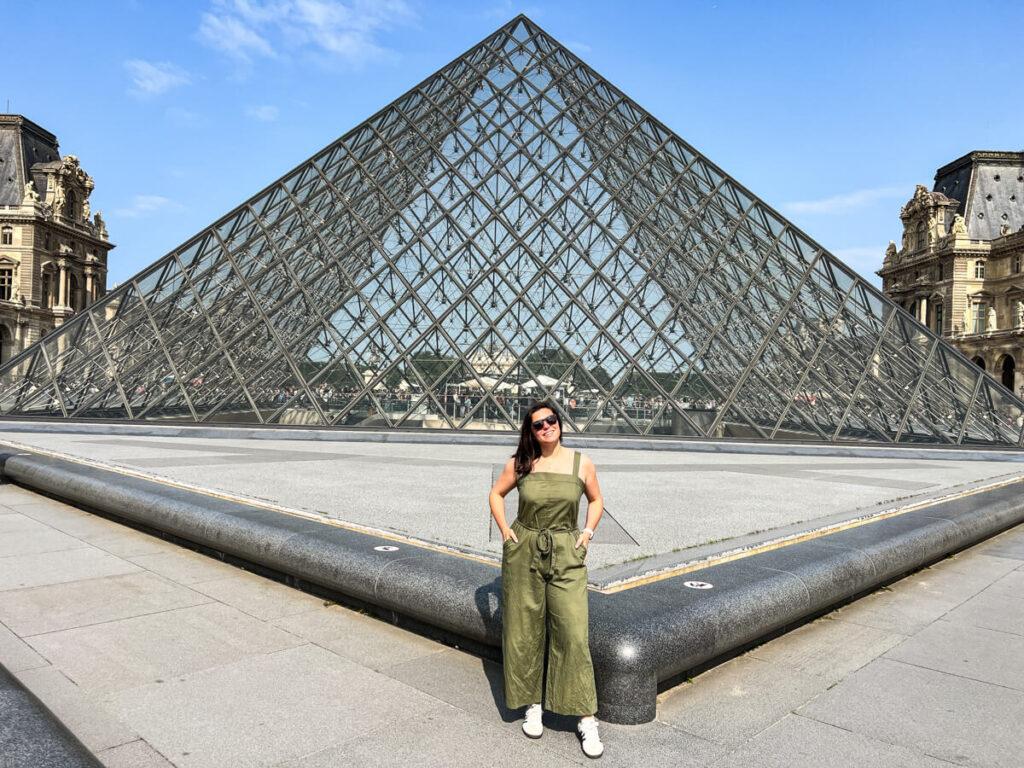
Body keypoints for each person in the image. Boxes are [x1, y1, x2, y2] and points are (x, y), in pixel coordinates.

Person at [488, 400, 605, 758]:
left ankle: (586, 717)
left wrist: (586, 533)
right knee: (524, 630)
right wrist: (507, 533)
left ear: (560, 422)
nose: (546, 427)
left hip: (566, 552)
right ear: (530, 431)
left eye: (551, 420)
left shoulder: (581, 462)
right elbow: (495, 494)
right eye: (538, 424)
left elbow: (597, 500)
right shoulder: (521, 463)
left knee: (572, 631)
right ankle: (532, 703)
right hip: (525, 552)